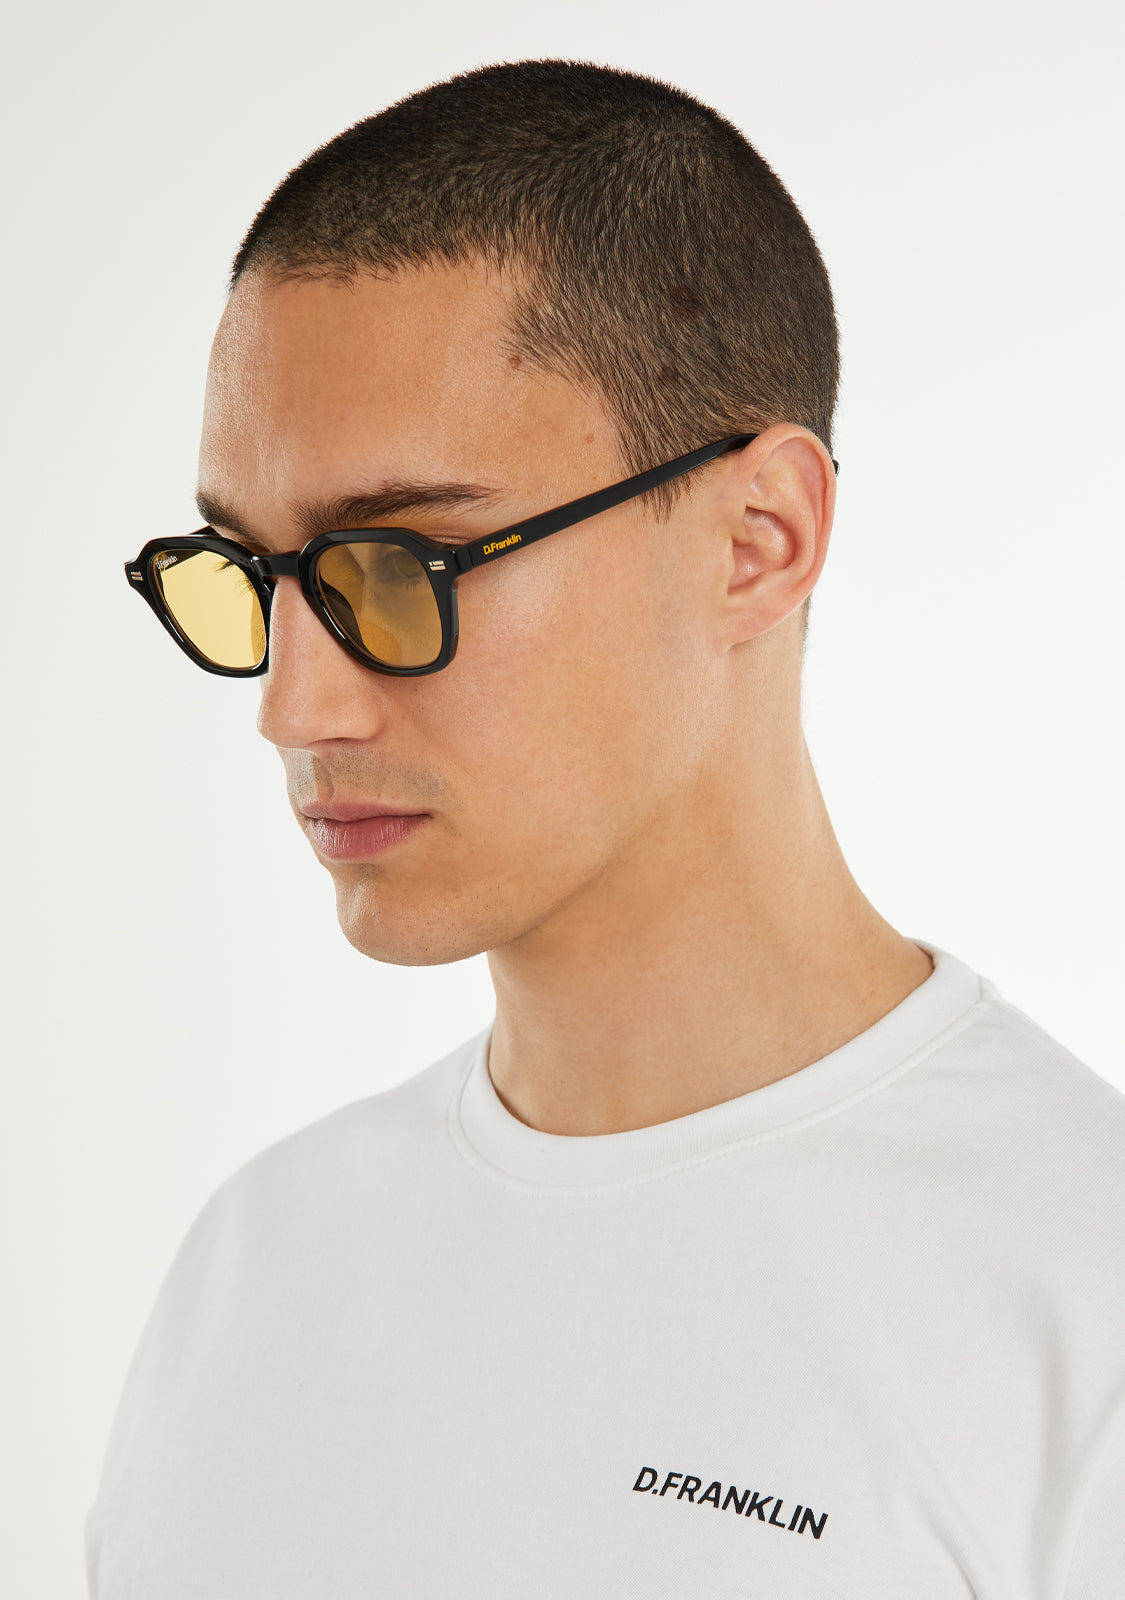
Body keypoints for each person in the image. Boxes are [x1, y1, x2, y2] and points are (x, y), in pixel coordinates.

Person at [89, 58, 1124, 1597]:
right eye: (252, 575)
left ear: (757, 541)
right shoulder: (254, 1267)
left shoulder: (1077, 1311)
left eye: (400, 565)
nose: (294, 707)